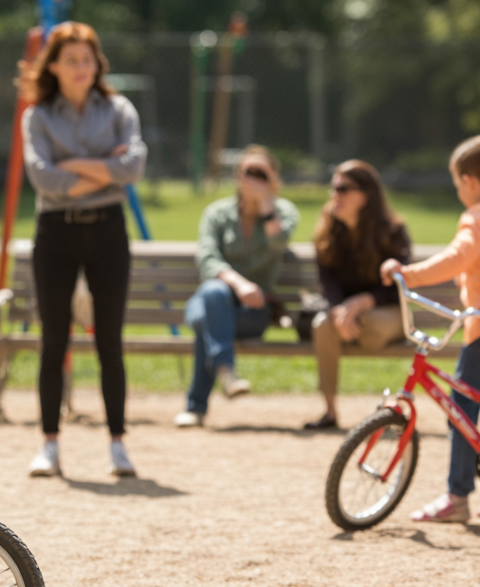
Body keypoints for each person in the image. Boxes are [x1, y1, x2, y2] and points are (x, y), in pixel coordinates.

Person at [378, 135, 480, 523]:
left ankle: (457, 497)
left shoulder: (479, 216)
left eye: (457, 183)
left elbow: (459, 256)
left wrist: (408, 273)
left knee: (461, 410)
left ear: (469, 181)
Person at [20, 21, 147, 477]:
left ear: (98, 65)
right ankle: (49, 445)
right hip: (55, 231)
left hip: (108, 230)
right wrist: (104, 169)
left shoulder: (118, 109)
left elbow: (133, 167)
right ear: (53, 64)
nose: (80, 67)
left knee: (109, 341)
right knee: (54, 341)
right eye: (70, 59)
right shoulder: (37, 115)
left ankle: (118, 444)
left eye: (87, 59)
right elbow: (43, 179)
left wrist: (72, 166)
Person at [173, 145, 300, 428]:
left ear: (274, 180)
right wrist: (239, 284)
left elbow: (278, 242)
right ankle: (226, 371)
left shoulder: (285, 212)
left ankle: (196, 406)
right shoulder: (217, 214)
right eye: (246, 172)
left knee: (211, 319)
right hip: (209, 301)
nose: (252, 179)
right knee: (213, 295)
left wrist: (265, 202)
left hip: (253, 311)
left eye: (260, 174)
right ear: (236, 177)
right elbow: (207, 259)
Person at [304, 160, 411, 430]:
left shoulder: (393, 231)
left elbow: (396, 287)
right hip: (346, 314)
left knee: (370, 323)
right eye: (333, 188)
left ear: (366, 195)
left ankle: (389, 408)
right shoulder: (328, 232)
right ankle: (329, 412)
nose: (334, 196)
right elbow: (327, 283)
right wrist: (340, 309)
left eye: (342, 188)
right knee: (323, 325)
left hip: (386, 311)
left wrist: (363, 302)